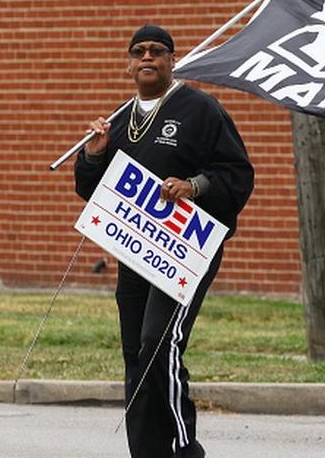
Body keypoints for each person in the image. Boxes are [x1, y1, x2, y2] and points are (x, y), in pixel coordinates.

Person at [74, 24, 254, 458]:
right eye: (139, 52)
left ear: (173, 61)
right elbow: (91, 189)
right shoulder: (118, 120)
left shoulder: (201, 110)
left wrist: (194, 186)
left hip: (188, 250)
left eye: (158, 51)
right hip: (136, 252)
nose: (148, 58)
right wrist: (95, 154)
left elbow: (238, 174)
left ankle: (184, 447)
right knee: (136, 353)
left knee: (160, 342)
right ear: (129, 63)